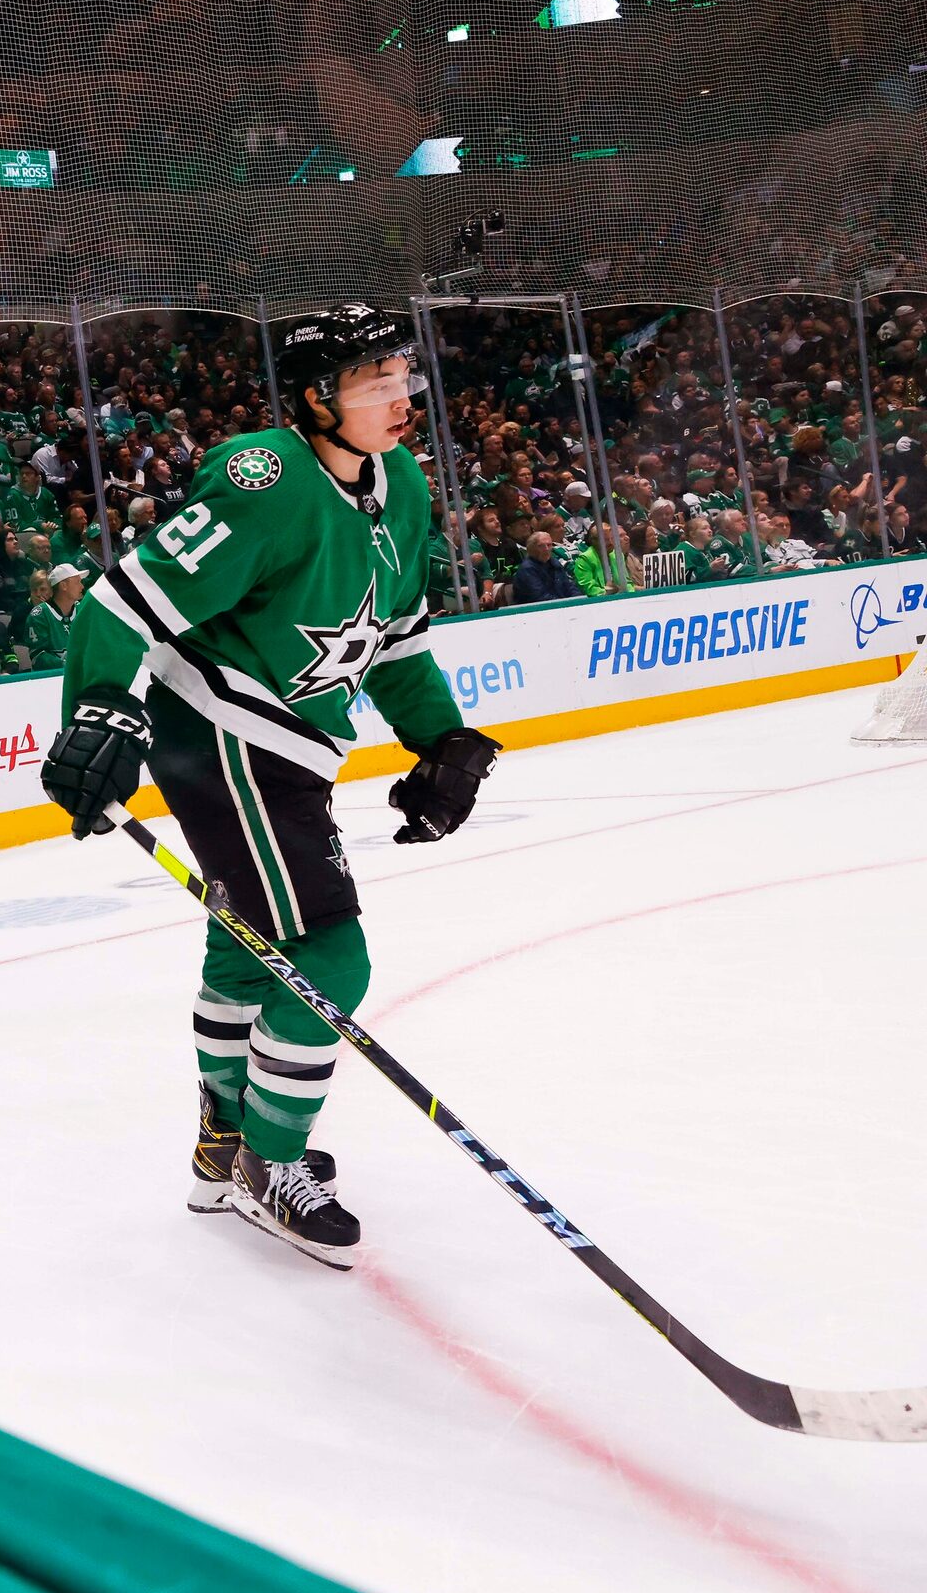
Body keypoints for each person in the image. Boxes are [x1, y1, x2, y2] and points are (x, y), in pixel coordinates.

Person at [39, 305, 497, 1269]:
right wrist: (97, 711)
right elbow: (125, 604)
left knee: (246, 948)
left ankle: (222, 1149)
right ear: (317, 397)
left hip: (292, 746)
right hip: (225, 733)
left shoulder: (402, 483)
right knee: (331, 957)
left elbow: (395, 639)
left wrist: (438, 736)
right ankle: (267, 1164)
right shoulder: (266, 480)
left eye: (401, 377)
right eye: (374, 381)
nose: (399, 399)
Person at [511, 528, 582, 605]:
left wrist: (577, 599)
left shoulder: (554, 563)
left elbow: (569, 586)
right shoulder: (527, 569)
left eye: (549, 545)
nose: (546, 549)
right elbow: (540, 597)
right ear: (531, 548)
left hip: (561, 605)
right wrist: (565, 604)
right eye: (541, 546)